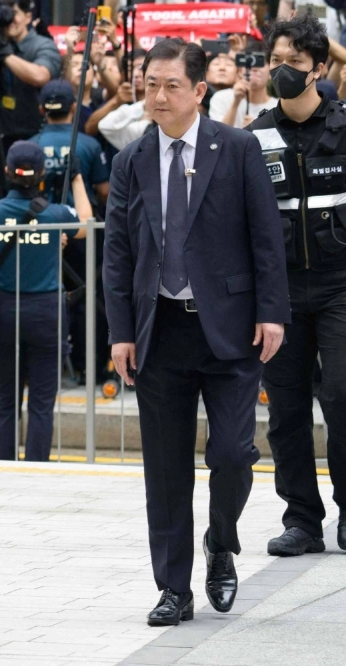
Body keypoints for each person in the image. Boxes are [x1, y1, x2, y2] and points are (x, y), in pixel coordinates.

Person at [103, 39, 290, 627]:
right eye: (150, 85)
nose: (158, 97)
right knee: (165, 467)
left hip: (230, 330)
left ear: (199, 90)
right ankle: (173, 587)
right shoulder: (130, 160)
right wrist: (121, 332)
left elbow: (266, 236)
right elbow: (118, 254)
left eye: (171, 86)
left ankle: (222, 541)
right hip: (160, 331)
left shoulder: (236, 149)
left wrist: (272, 313)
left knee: (233, 454)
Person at [246, 15, 346, 557]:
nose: (282, 72)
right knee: (284, 410)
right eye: (276, 62)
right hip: (278, 294)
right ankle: (302, 521)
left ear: (320, 69)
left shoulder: (345, 127)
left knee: (342, 394)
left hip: (339, 287)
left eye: (295, 64)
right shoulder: (252, 138)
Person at [0, 142, 91, 462]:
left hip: (2, 311)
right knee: (42, 403)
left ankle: (1, 467)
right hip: (46, 312)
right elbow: (86, 220)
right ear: (41, 175)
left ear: (6, 172)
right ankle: (37, 469)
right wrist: (77, 179)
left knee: (5, 400)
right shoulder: (57, 214)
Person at [0, 0, 61, 149]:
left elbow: (40, 76)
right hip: (4, 135)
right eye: (3, 14)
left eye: (13, 14)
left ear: (28, 17)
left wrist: (3, 53)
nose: (8, 19)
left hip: (38, 134)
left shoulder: (42, 44)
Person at [31, 78, 110, 207]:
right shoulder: (90, 145)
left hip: (40, 222)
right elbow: (104, 192)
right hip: (81, 223)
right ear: (74, 107)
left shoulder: (29, 146)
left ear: (41, 110)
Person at [209, 55, 276, 129]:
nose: (254, 68)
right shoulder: (221, 97)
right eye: (249, 62)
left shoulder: (277, 107)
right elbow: (219, 135)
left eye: (260, 63)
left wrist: (257, 128)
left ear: (270, 72)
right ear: (240, 71)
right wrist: (236, 102)